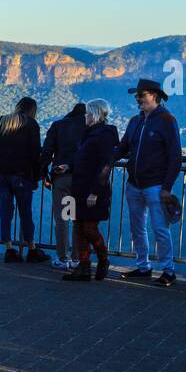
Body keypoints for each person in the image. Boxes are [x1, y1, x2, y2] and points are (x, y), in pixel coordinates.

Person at [114, 78, 182, 286]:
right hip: (134, 183)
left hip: (155, 185)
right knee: (137, 228)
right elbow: (124, 147)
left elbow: (175, 156)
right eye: (137, 96)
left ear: (154, 96)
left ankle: (168, 270)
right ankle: (143, 266)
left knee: (160, 228)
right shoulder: (135, 121)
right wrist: (106, 161)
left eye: (141, 95)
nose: (137, 99)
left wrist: (167, 187)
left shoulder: (167, 121)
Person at [62, 99, 119, 281]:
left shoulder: (104, 136)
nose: (85, 116)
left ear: (94, 114)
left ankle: (103, 258)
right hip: (79, 188)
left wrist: (95, 191)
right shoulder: (90, 134)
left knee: (89, 228)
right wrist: (67, 167)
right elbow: (83, 159)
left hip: (93, 191)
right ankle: (84, 266)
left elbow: (105, 165)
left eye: (87, 113)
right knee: (78, 226)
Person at [0, 96, 46, 263]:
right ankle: (32, 249)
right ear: (32, 110)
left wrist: (5, 146)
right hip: (21, 175)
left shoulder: (4, 120)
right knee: (25, 212)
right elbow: (35, 154)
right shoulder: (31, 124)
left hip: (2, 173)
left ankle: (9, 249)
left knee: (5, 210)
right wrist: (36, 177)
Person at [40, 102, 88, 270]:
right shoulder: (90, 127)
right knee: (78, 220)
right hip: (82, 179)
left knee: (63, 219)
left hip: (61, 178)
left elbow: (46, 151)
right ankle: (76, 258)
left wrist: (44, 174)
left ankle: (62, 258)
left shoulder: (59, 125)